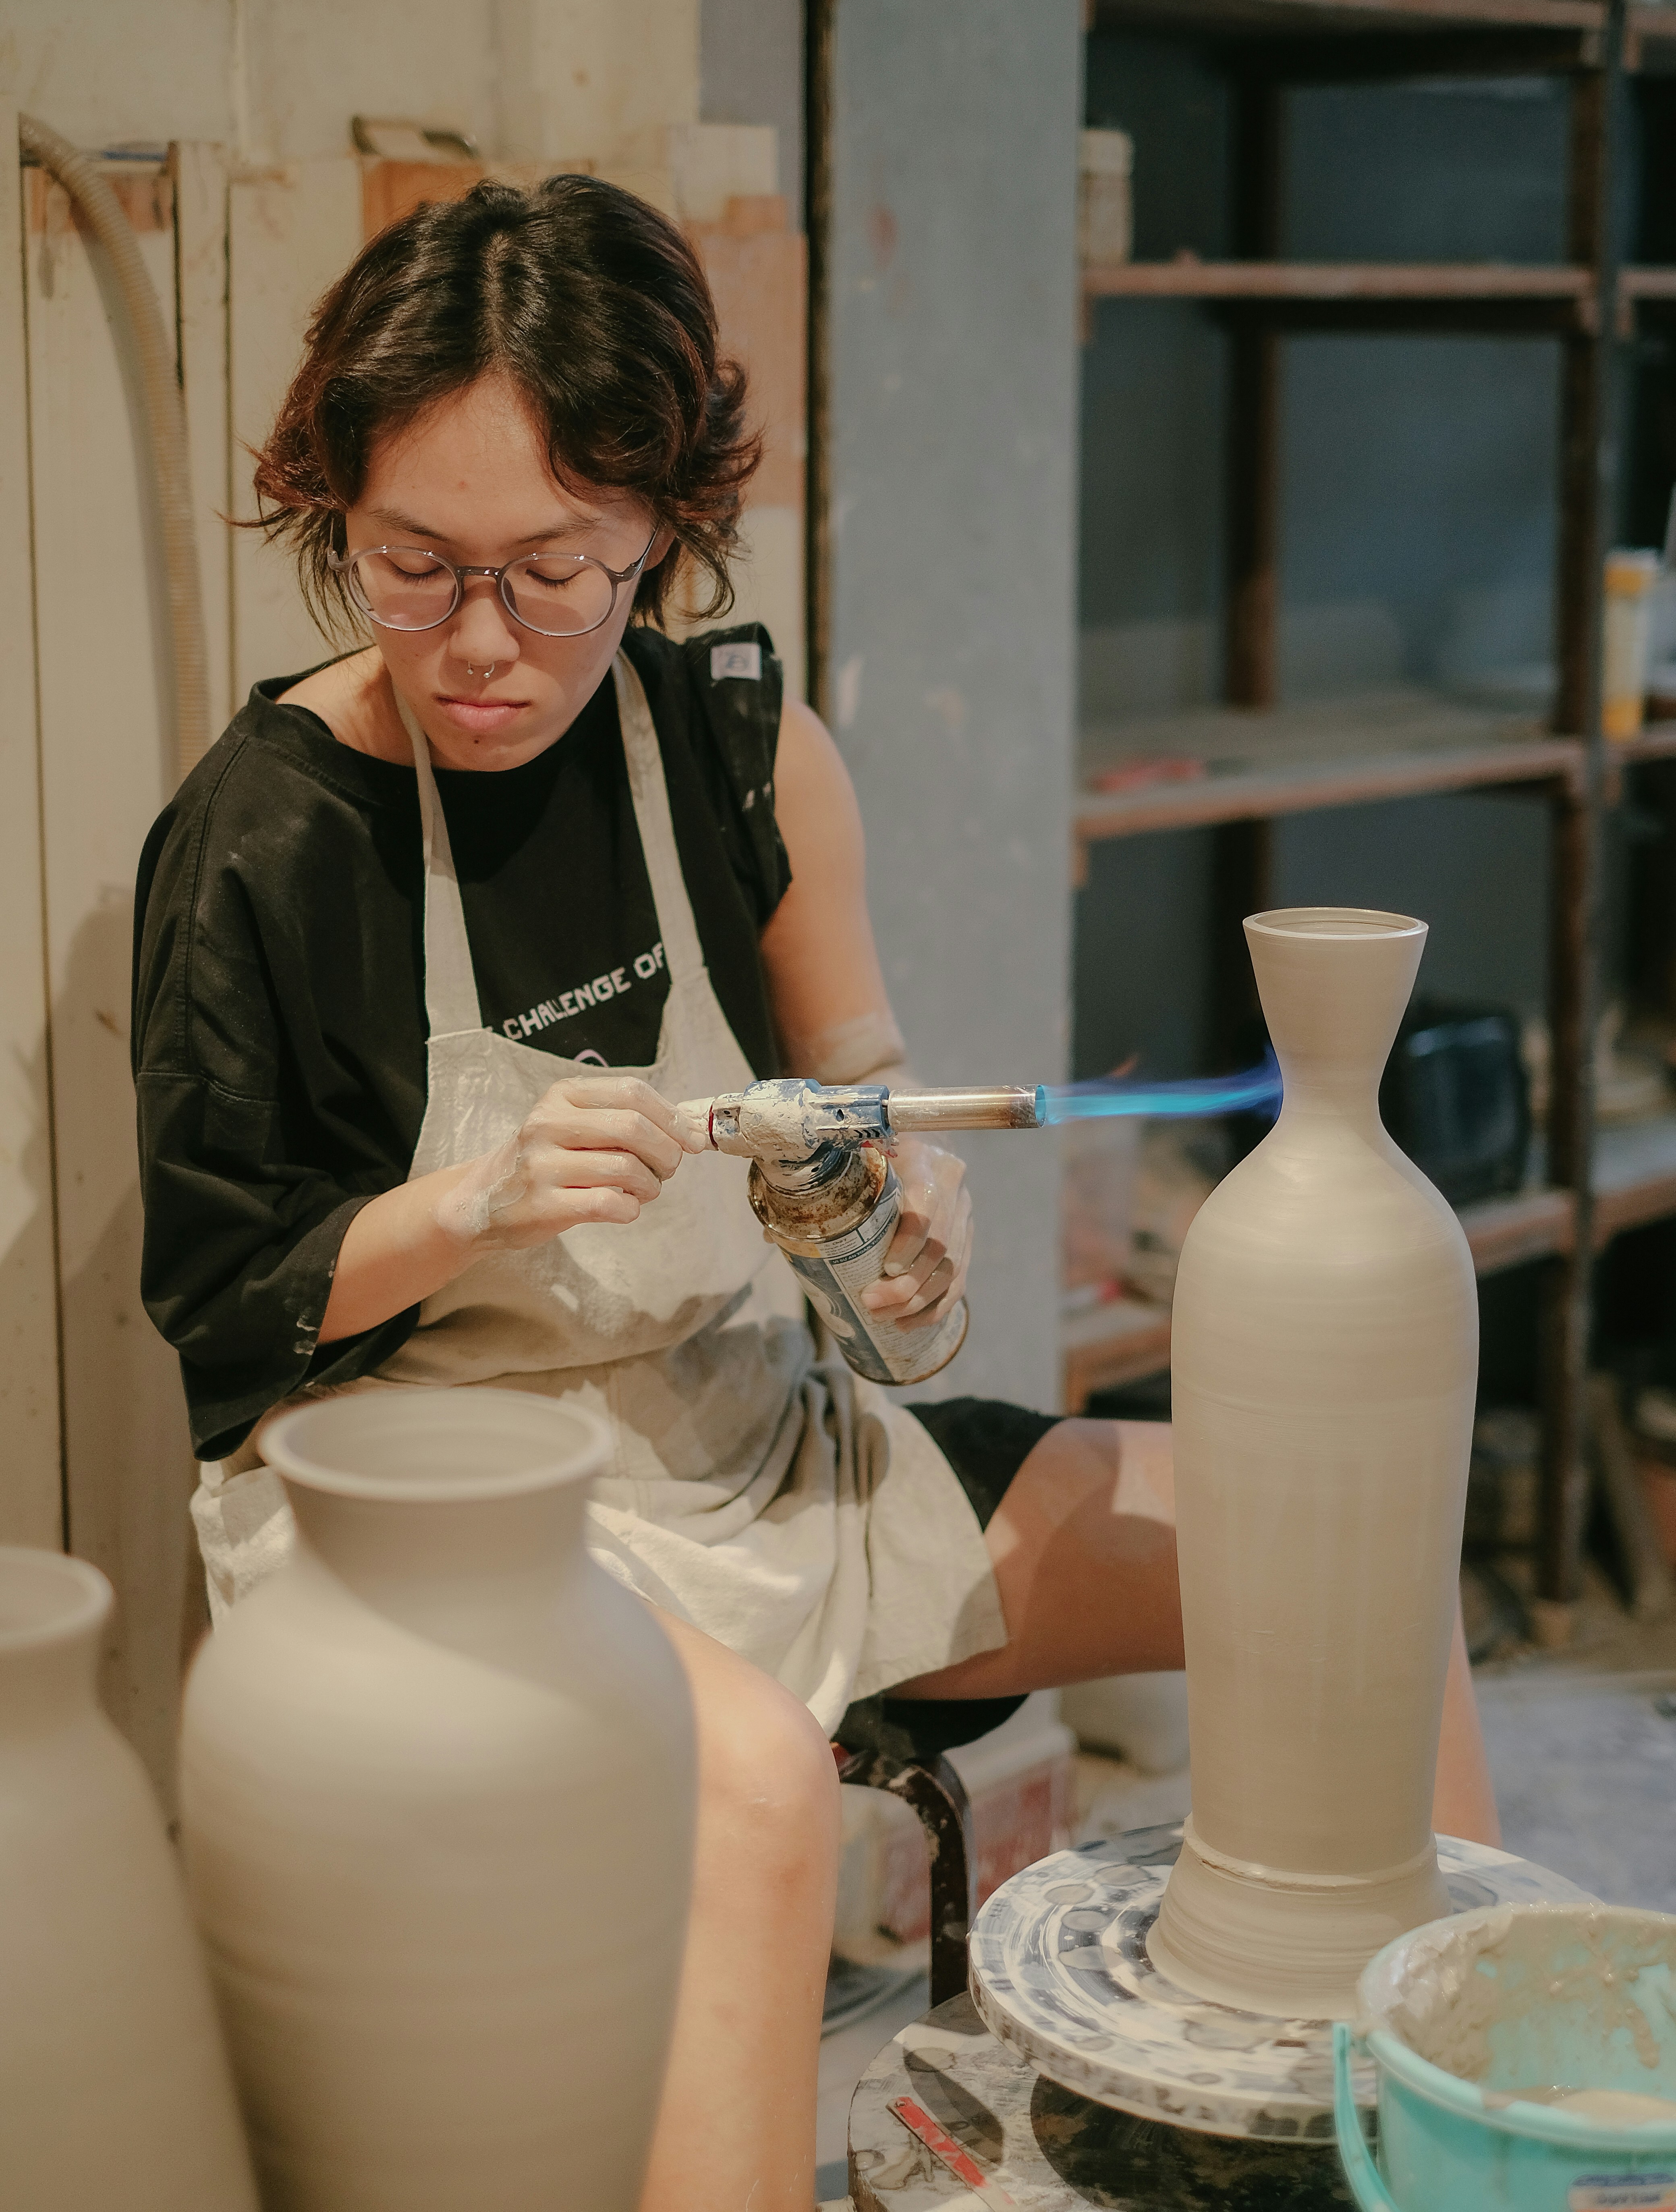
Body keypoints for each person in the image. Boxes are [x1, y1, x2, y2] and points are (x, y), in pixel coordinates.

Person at [133, 174, 1499, 2212]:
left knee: (1337, 1552)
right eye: (410, 567)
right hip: (430, 1509)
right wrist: (472, 1202)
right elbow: (226, 1314)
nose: (479, 645)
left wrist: (892, 1215)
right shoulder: (261, 838)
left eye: (556, 574)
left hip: (751, 1440)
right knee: (758, 1792)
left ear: (662, 533)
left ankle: (1463, 2125)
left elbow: (879, 1187)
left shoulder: (742, 752)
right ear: (335, 507)